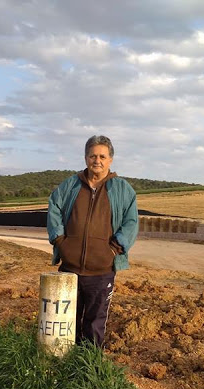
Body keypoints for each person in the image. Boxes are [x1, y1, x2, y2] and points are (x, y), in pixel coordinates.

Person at [47, 135, 138, 348]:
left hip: (102, 271)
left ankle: (89, 367)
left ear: (110, 160)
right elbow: (54, 208)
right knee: (67, 321)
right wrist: (60, 241)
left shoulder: (123, 190)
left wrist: (113, 250)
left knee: (95, 323)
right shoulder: (70, 185)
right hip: (70, 270)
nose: (97, 160)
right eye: (92, 155)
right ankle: (65, 362)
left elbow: (131, 222)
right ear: (86, 157)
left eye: (102, 156)